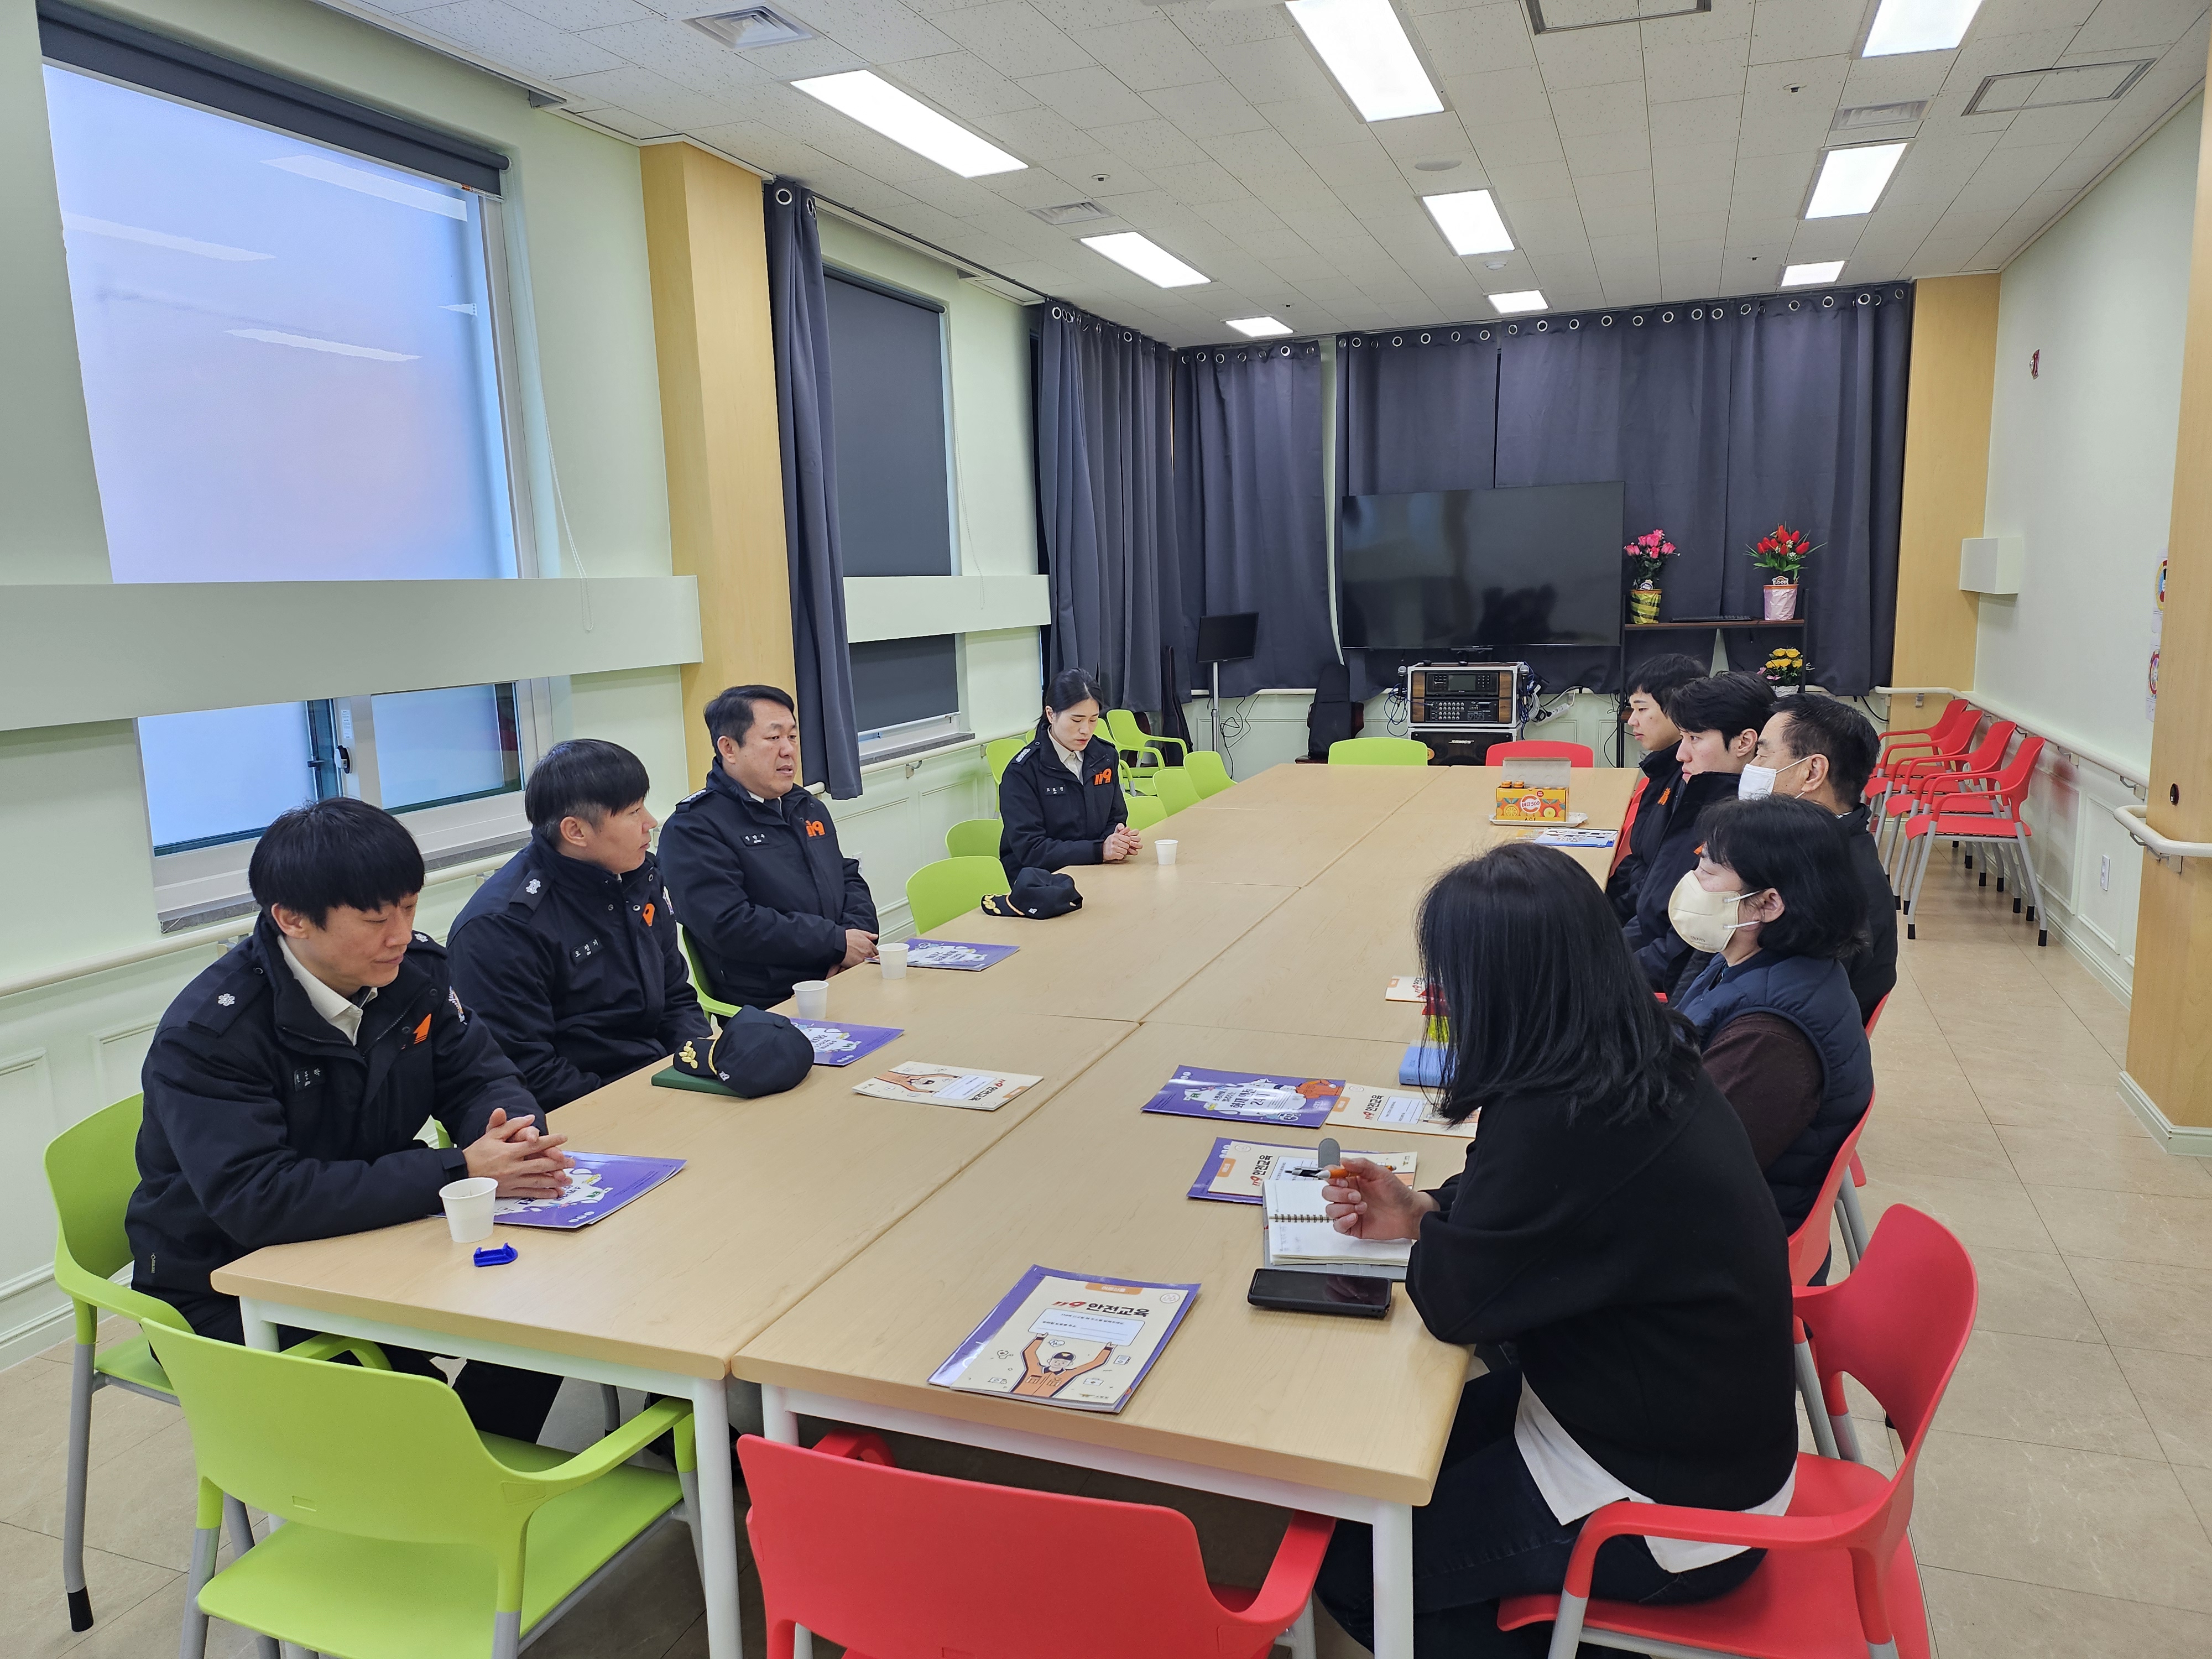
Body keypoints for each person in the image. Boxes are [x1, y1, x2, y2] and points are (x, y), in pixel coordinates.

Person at [1312, 843, 1797, 1657]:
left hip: (1669, 1506)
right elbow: (1526, 1206)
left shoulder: (1568, 1116)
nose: (1441, 997)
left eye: (1451, 978)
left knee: (1359, 1572)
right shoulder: (1628, 1048)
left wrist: (1436, 1234)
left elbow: (1460, 1306)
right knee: (1373, 1476)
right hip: (1660, 1422)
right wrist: (1427, 1211)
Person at [128, 797, 573, 1441]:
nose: (400, 934)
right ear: (292, 919)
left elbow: (481, 1076)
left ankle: (479, 1467)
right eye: (375, 919)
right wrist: (458, 1169)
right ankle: (446, 1473)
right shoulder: (211, 1035)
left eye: (409, 908)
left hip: (370, 1232)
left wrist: (514, 1136)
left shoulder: (411, 976)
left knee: (549, 1311)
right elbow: (258, 1199)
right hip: (228, 1279)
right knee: (409, 1402)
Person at [448, 738, 812, 1112]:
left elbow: (676, 998)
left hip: (661, 1081)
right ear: (576, 832)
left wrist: (693, 1066)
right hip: (587, 1109)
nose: (650, 823)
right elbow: (529, 1074)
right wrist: (643, 1102)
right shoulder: (501, 927)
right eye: (634, 812)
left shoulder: (637, 878)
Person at [1670, 796, 1875, 1238]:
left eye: (1707, 871)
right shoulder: (1754, 959)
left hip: (1717, 1245)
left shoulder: (1770, 1036)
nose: (1690, 881)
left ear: (1767, 904)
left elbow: (1685, 1170)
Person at [658, 685, 880, 1010]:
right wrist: (834, 944)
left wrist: (856, 940)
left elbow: (846, 876)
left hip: (844, 974)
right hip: (769, 1003)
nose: (788, 750)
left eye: (793, 737)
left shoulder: (805, 805)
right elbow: (730, 924)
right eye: (774, 738)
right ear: (729, 748)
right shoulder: (694, 828)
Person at [1621, 670, 1776, 993]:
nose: (1681, 754)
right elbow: (1651, 908)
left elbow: (1684, 952)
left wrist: (1602, 967)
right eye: (1683, 737)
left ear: (1744, 742)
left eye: (1695, 738)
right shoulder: (1698, 795)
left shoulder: (1742, 830)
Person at [1746, 695, 1896, 1024]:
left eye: (1762, 754)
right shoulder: (1805, 850)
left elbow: (1780, 1012)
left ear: (1812, 772)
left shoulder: (1830, 887)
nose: (1751, 767)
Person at [997, 669, 1140, 879]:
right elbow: (1032, 850)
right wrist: (1099, 850)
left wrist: (1116, 840)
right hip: (1042, 881)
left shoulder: (1105, 756)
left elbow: (1116, 816)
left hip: (1096, 868)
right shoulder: (1022, 772)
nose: (1086, 730)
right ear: (1051, 714)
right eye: (1077, 720)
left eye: (1093, 720)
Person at [1606, 653, 1709, 921]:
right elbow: (1641, 862)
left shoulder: (1688, 778)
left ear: (1678, 709)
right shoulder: (1663, 769)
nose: (1632, 721)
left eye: (1642, 709)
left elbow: (1659, 883)